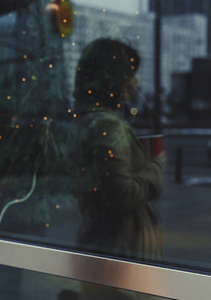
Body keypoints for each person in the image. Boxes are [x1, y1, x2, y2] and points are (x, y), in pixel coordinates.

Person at [71, 39, 167, 299]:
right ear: (109, 77)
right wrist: (156, 167)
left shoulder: (87, 120)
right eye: (129, 74)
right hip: (119, 252)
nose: (134, 82)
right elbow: (121, 195)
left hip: (103, 247)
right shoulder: (108, 126)